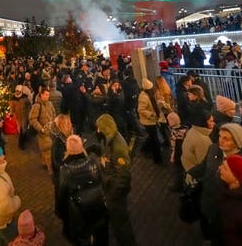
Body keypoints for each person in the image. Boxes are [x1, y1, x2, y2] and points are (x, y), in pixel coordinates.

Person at [188, 123, 242, 245]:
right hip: (207, 200)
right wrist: (189, 173)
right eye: (220, 136)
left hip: (227, 209)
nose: (221, 141)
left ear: (238, 142)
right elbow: (203, 167)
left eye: (226, 139)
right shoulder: (213, 148)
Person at [56, 134, 108, 245]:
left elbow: (62, 195)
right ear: (81, 147)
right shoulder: (93, 162)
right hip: (97, 206)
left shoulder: (65, 170)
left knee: (82, 239)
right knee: (100, 236)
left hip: (79, 211)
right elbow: (102, 182)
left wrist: (61, 212)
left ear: (68, 149)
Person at [95, 114, 137, 245]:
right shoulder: (109, 139)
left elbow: (123, 177)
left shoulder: (117, 146)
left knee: (121, 223)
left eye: (99, 128)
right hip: (110, 186)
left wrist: (113, 195)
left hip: (115, 192)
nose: (97, 130)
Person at [137, 78, 167, 165]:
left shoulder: (148, 95)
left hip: (152, 120)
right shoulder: (143, 97)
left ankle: (145, 149)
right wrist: (150, 114)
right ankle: (157, 159)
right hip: (148, 122)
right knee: (155, 140)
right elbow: (140, 109)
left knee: (152, 137)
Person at [29, 88, 57, 174]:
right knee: (47, 149)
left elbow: (54, 114)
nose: (47, 97)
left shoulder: (50, 104)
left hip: (51, 131)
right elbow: (32, 119)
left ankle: (45, 162)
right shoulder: (36, 106)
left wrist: (54, 123)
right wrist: (40, 128)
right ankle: (50, 169)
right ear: (41, 95)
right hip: (43, 132)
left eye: (48, 95)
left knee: (47, 150)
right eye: (46, 95)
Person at [181, 108, 214, 173]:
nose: (214, 123)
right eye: (211, 121)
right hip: (195, 171)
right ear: (203, 123)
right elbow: (206, 163)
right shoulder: (203, 140)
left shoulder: (193, 130)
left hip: (188, 164)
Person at [167, 111, 189, 192]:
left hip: (178, 155)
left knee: (178, 171)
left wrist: (172, 156)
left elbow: (175, 147)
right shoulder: (185, 128)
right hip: (185, 154)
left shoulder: (175, 132)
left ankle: (178, 185)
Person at [10, 85, 33, 150]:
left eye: (18, 91)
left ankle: (24, 139)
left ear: (21, 91)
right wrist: (11, 114)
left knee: (24, 128)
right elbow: (12, 107)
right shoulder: (13, 98)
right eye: (16, 91)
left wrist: (29, 112)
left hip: (25, 116)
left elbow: (29, 105)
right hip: (18, 116)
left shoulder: (25, 98)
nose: (17, 92)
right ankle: (21, 143)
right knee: (20, 130)